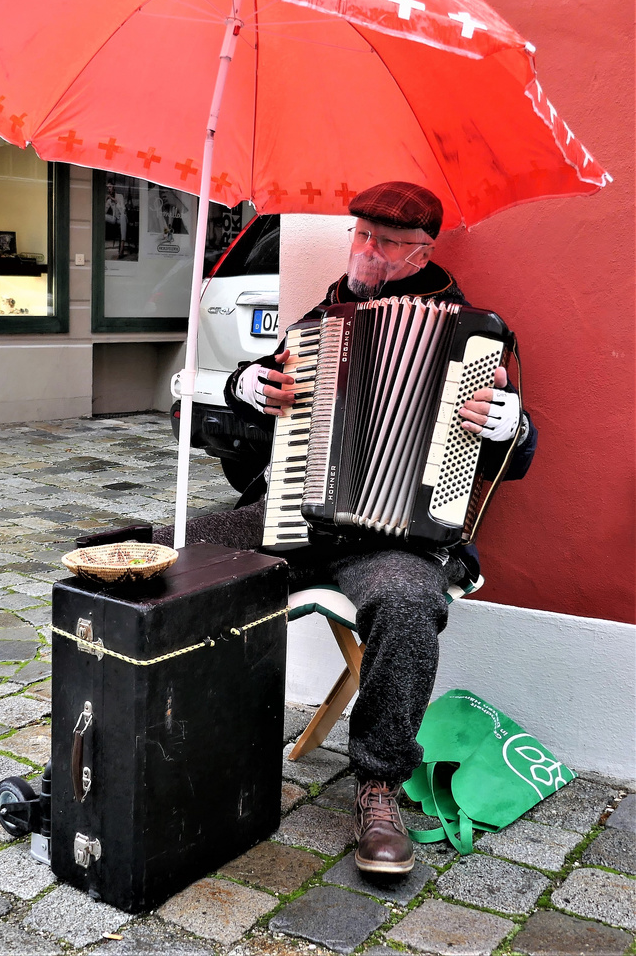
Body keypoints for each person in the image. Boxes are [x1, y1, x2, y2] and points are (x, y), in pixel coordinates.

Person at [155, 182, 536, 875]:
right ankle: (162, 734)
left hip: (399, 541)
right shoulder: (322, 320)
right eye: (359, 235)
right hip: (295, 521)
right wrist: (246, 387)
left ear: (423, 251)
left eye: (386, 243)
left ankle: (379, 785)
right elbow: (258, 393)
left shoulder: (474, 334)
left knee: (407, 604)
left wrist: (516, 428)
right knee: (165, 547)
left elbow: (514, 458)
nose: (366, 252)